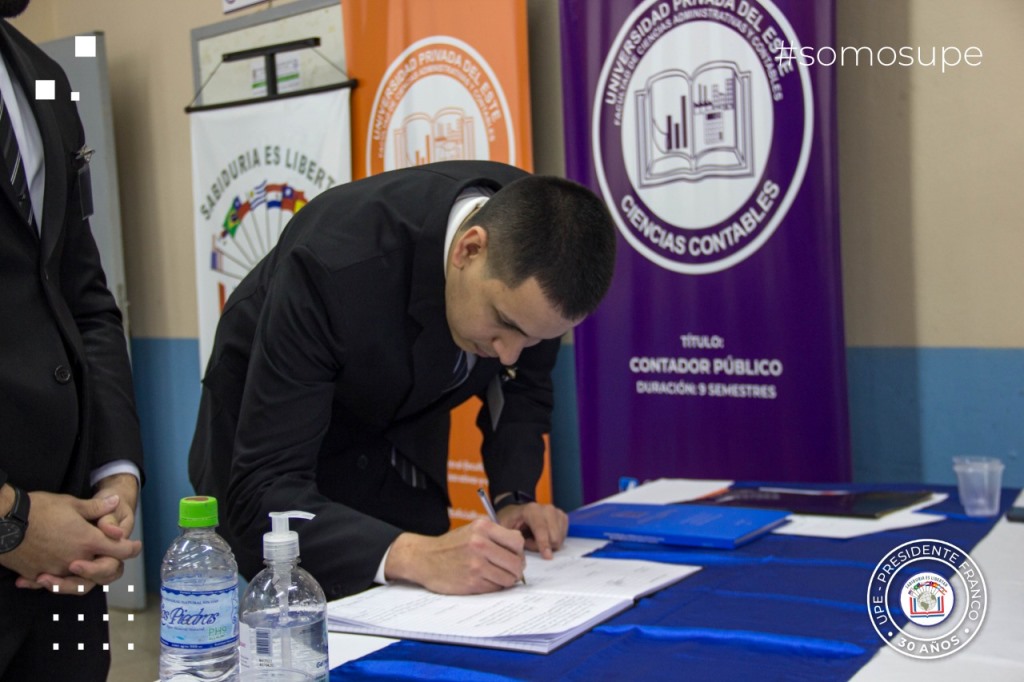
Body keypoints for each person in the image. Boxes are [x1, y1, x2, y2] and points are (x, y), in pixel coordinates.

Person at [189, 160, 616, 599]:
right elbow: (265, 491)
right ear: (468, 250)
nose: (508, 353)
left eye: (532, 338)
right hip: (273, 445)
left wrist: (514, 498)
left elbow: (522, 387)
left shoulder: (542, 250)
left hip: (402, 425)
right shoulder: (332, 264)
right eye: (502, 323)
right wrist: (413, 555)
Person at [0, 3, 144, 680]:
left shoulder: (43, 78)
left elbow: (84, 296)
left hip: (67, 574)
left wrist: (114, 477)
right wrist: (10, 520)